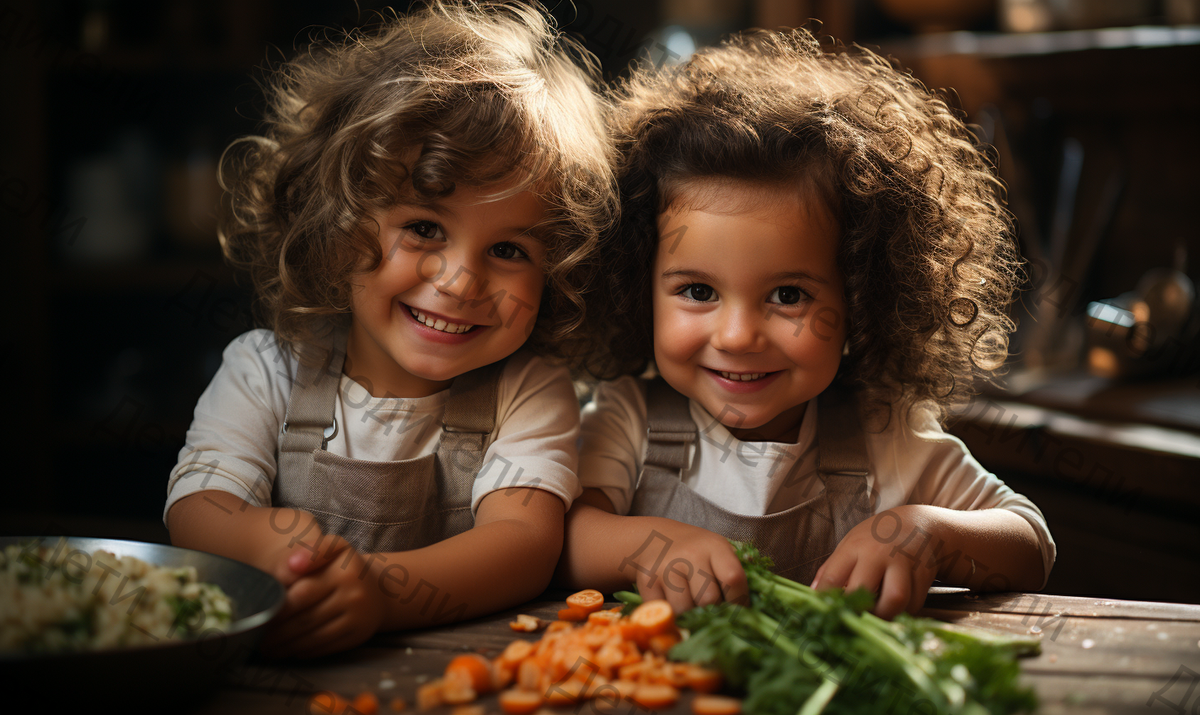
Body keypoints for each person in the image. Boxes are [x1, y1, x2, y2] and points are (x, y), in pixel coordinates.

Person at [556, 27, 1055, 620]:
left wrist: (925, 530)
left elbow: (1030, 544)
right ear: (640, 289)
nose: (738, 336)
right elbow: (561, 540)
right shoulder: (629, 420)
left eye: (788, 295)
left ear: (864, 299)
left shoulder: (883, 434)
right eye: (697, 291)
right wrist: (649, 548)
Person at [165, 1, 616, 657]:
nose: (462, 280)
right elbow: (197, 507)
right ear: (342, 221)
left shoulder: (528, 390)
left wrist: (379, 592)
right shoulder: (265, 368)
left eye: (510, 250)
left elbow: (524, 545)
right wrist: (269, 544)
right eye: (426, 229)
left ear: (558, 273)